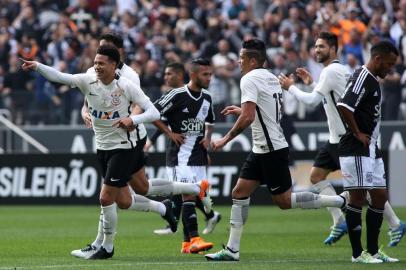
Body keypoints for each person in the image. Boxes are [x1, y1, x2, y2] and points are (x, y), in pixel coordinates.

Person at [20, 45, 212, 260]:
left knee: (105, 197)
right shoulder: (88, 80)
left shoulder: (126, 85)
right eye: (95, 62)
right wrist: (37, 66)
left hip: (124, 147)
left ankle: (107, 247)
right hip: (103, 147)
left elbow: (153, 111)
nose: (96, 66)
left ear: (113, 64)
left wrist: (133, 119)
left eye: (101, 63)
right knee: (132, 194)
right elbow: (60, 77)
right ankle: (187, 193)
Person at [205, 39, 346, 262]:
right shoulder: (270, 77)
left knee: (284, 202)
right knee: (239, 193)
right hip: (263, 147)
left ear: (253, 61)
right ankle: (232, 250)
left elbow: (250, 116)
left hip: (271, 149)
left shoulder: (249, 79)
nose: (238, 62)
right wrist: (243, 109)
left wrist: (225, 139)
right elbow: (261, 109)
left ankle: (339, 202)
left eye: (241, 58)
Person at [278, 31, 406, 246]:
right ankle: (342, 221)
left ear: (333, 49)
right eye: (316, 46)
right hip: (336, 138)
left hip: (344, 139)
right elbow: (331, 97)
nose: (317, 50)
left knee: (361, 191)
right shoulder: (338, 70)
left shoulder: (332, 71)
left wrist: (290, 87)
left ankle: (390, 225)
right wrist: (311, 83)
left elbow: (311, 102)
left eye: (322, 47)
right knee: (318, 176)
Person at [337, 40, 399, 263]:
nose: (390, 69)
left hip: (371, 147)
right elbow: (344, 105)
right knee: (357, 197)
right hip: (357, 147)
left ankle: (373, 251)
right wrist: (356, 133)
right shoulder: (362, 76)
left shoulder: (372, 79)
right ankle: (357, 254)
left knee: (380, 196)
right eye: (389, 64)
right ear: (377, 59)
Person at [147, 62, 222, 236]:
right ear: (193, 75)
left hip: (198, 156)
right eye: (205, 75)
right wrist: (169, 133)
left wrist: (208, 139)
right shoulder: (176, 94)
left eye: (210, 74)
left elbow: (210, 121)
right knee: (187, 195)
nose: (209, 78)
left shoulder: (207, 97)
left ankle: (189, 237)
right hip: (180, 156)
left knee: (195, 195)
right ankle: (193, 238)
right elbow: (152, 112)